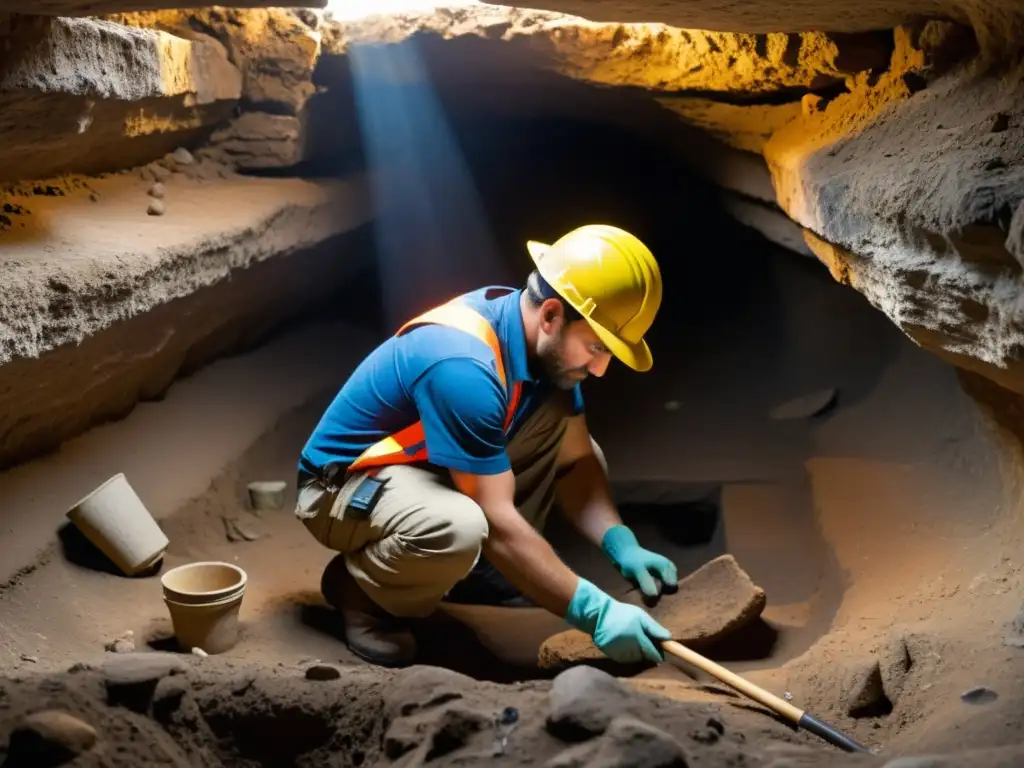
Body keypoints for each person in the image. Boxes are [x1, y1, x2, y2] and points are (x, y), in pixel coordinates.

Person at [294, 223, 679, 667]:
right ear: (552, 315)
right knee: (461, 526)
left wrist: (621, 543)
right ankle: (361, 594)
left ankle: (482, 577)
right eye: (596, 346)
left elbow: (575, 463)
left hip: (422, 467)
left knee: (573, 443)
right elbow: (494, 520)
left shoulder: (540, 347)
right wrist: (596, 613)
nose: (600, 369)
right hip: (341, 486)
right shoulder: (463, 364)